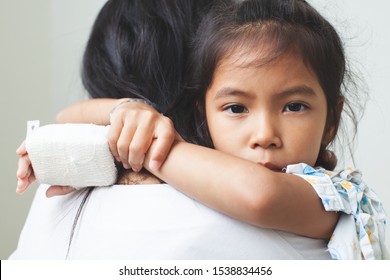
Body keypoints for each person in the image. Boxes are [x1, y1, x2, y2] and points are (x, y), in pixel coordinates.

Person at [48, 0, 390, 259]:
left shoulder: (335, 196)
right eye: (236, 108)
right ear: (204, 114)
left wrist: (154, 144)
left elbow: (261, 195)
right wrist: (125, 111)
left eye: (294, 106)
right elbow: (64, 119)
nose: (264, 134)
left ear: (331, 119)